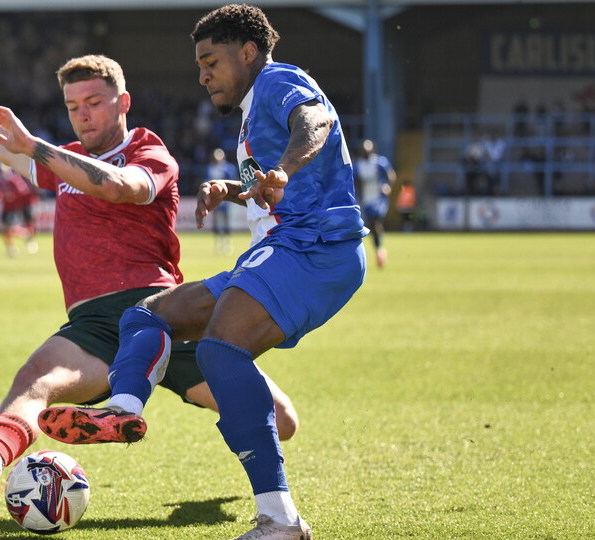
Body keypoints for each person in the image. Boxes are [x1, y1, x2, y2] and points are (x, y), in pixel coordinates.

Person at [0, 54, 299, 509]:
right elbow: (6, 146)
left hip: (163, 315)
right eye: (74, 106)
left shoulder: (148, 152)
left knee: (282, 418)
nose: (83, 114)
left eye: (94, 101)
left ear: (123, 102)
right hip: (93, 323)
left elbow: (118, 186)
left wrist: (35, 146)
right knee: (36, 379)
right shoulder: (66, 160)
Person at [38, 6, 368, 539]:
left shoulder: (280, 80)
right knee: (149, 314)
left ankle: (279, 521)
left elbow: (317, 121)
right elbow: (279, 190)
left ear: (248, 52)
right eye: (199, 64)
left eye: (210, 61)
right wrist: (236, 191)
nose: (203, 75)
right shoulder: (252, 110)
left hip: (314, 247)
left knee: (219, 350)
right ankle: (123, 408)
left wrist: (284, 165)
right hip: (284, 249)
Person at [353, 139, 396, 268]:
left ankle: (379, 251)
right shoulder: (357, 165)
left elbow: (391, 175)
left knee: (376, 220)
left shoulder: (379, 162)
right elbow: (353, 181)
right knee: (373, 223)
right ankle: (379, 248)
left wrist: (388, 186)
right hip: (367, 199)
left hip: (379, 198)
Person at [0, 163, 39, 257]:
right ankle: (11, 247)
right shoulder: (0, 181)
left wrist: (11, 195)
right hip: (5, 208)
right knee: (4, 229)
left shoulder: (14, 180)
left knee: (10, 228)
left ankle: (25, 235)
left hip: (13, 208)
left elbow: (22, 191)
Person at [205, 148, 237, 254]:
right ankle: (218, 243)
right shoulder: (210, 168)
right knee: (216, 221)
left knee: (225, 220)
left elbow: (233, 182)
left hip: (226, 198)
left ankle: (227, 243)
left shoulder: (228, 168)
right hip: (214, 198)